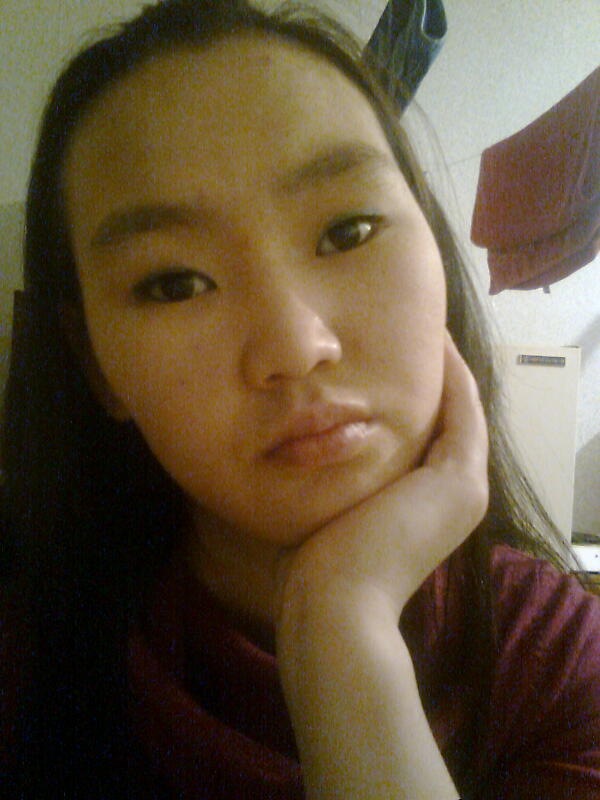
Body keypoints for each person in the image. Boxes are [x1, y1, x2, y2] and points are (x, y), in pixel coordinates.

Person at [1, 1, 599, 797]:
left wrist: (343, 629)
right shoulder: (25, 662)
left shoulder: (560, 660)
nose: (295, 346)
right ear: (98, 366)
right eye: (174, 283)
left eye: (349, 231)